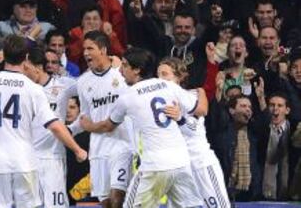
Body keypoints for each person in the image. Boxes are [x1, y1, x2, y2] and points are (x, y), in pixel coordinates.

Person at [0, 34, 87, 208]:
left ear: (4, 55)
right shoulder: (32, 88)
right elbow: (54, 125)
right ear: (25, 58)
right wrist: (77, 149)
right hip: (24, 161)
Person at [79, 47, 205, 208]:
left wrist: (89, 125)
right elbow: (200, 109)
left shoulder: (127, 97)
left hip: (153, 166)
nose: (121, 70)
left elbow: (107, 126)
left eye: (124, 66)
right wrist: (189, 105)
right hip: (180, 162)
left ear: (137, 70)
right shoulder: (167, 85)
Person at [71, 30, 133, 208]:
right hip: (98, 150)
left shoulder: (121, 75)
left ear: (104, 50)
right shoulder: (83, 82)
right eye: (84, 49)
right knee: (105, 201)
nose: (85, 53)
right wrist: (71, 129)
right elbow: (85, 118)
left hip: (123, 146)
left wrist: (91, 126)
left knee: (119, 198)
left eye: (90, 48)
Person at [157, 57, 231, 208]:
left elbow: (194, 128)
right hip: (178, 170)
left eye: (165, 74)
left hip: (200, 163)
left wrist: (179, 117)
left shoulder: (192, 96)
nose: (160, 79)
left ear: (179, 77)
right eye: (158, 75)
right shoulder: (156, 103)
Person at [23, 47, 76, 208]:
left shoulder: (63, 86)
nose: (23, 71)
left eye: (26, 67)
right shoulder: (23, 89)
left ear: (37, 67)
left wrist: (75, 127)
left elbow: (89, 89)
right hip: (27, 158)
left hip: (52, 157)